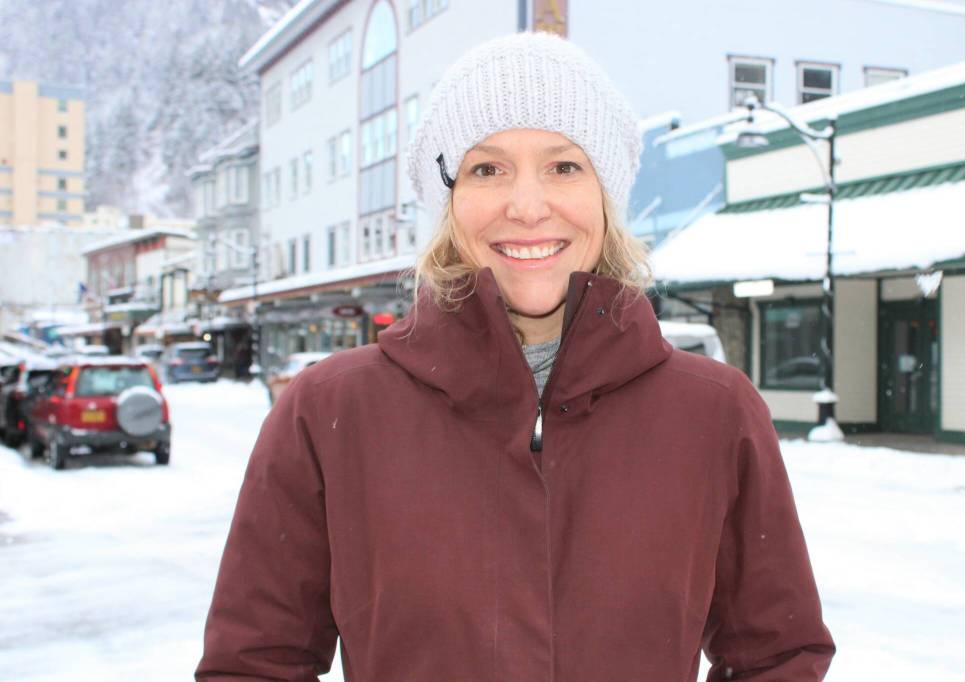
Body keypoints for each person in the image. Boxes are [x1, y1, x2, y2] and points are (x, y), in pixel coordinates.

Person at [196, 31, 835, 681]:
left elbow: (777, 653)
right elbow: (253, 663)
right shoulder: (332, 411)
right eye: (487, 168)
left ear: (606, 197)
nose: (526, 206)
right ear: (446, 203)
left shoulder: (714, 413)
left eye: (564, 166)